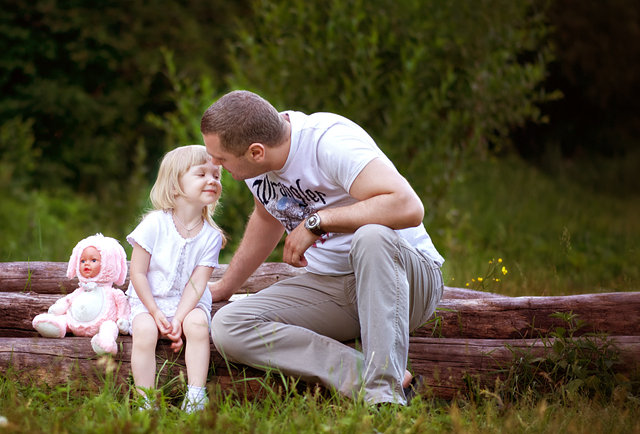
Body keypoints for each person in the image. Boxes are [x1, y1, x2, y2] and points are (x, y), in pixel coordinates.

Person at [201, 90, 445, 406]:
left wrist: (318, 221)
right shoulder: (257, 164)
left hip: (407, 281)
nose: (215, 164)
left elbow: (408, 207)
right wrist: (225, 286)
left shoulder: (329, 143)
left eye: (221, 158)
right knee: (229, 326)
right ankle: (373, 377)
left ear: (256, 152)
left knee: (372, 236)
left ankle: (385, 400)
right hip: (335, 288)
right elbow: (266, 218)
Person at [126, 145, 225, 412]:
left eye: (216, 175)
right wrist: (155, 311)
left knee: (197, 325)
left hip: (189, 302)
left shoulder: (211, 236)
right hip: (149, 299)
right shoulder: (154, 224)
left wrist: (179, 318)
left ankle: (195, 395)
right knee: (145, 330)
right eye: (201, 174)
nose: (212, 180)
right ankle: (146, 398)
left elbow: (197, 283)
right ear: (174, 185)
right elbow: (137, 272)